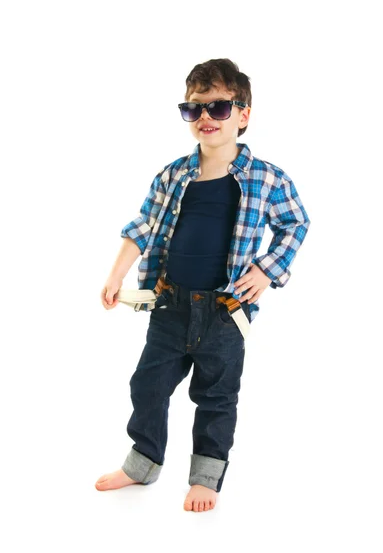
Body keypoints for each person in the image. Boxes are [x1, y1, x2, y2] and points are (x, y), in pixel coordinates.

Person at [95, 58, 311, 512]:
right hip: (170, 306)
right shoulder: (173, 174)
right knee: (147, 385)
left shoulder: (266, 177)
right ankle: (142, 463)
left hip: (225, 312)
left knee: (216, 396)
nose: (206, 119)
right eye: (194, 109)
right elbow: (141, 225)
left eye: (218, 107)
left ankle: (206, 478)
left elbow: (296, 224)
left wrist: (267, 270)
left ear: (244, 114)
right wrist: (116, 274)